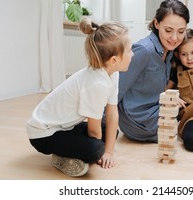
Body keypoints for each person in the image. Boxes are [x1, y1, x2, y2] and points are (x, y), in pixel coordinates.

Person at [26, 18, 133, 177]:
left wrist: (109, 152)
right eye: (130, 50)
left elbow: (111, 114)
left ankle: (73, 151)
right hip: (44, 134)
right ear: (114, 60)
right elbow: (93, 130)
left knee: (110, 130)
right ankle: (61, 157)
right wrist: (100, 151)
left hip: (64, 127)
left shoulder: (113, 73)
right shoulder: (97, 83)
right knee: (95, 149)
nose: (133, 54)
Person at [118, 0, 190, 142]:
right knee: (189, 126)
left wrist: (170, 100)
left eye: (181, 31)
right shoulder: (144, 50)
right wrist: (105, 128)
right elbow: (116, 89)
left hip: (154, 110)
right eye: (168, 30)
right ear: (156, 23)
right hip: (137, 119)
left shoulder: (168, 51)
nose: (174, 38)